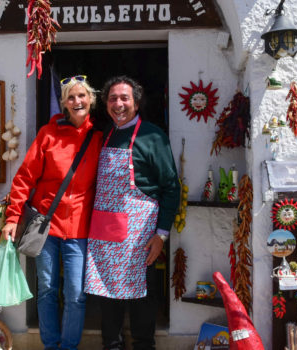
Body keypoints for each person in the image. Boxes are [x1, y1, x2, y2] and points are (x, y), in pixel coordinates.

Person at [2, 75, 103, 350]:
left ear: (91, 100)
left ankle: (68, 347)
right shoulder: (48, 134)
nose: (77, 101)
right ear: (64, 104)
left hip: (80, 230)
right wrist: (12, 218)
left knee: (76, 294)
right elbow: (24, 178)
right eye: (71, 97)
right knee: (46, 291)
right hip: (45, 227)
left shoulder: (99, 139)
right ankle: (50, 345)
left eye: (82, 95)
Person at [84, 76, 180, 350]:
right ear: (106, 104)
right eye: (113, 98)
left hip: (140, 234)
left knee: (143, 297)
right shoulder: (104, 135)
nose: (118, 104)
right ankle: (111, 345)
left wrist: (161, 234)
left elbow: (171, 188)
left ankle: (143, 345)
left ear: (136, 103)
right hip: (105, 230)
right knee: (107, 294)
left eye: (124, 98)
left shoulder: (152, 136)